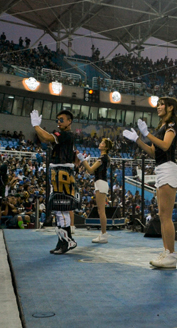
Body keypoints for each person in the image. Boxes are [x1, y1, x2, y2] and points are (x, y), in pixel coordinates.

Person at [123, 97, 177, 269]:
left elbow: (165, 145)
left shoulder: (171, 126)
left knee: (166, 216)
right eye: (158, 104)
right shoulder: (161, 127)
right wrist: (139, 140)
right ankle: (167, 251)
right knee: (163, 216)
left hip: (168, 169)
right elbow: (154, 152)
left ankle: (171, 254)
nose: (159, 107)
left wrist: (147, 134)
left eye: (162, 104)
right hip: (162, 169)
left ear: (171, 107)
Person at [31, 109, 78, 255]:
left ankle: (68, 241)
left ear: (69, 121)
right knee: (58, 210)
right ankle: (62, 241)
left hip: (62, 171)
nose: (58, 122)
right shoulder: (65, 135)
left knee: (62, 208)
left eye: (61, 119)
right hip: (59, 171)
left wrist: (36, 126)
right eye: (57, 119)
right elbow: (45, 139)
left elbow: (46, 138)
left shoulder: (66, 134)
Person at [78, 138, 113, 244]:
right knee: (100, 211)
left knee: (101, 211)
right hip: (100, 183)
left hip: (101, 183)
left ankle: (104, 234)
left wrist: (83, 160)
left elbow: (90, 170)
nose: (100, 144)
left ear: (106, 147)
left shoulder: (102, 157)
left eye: (102, 143)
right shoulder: (103, 158)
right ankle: (103, 234)